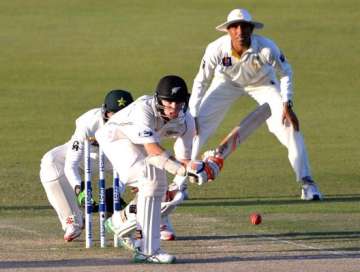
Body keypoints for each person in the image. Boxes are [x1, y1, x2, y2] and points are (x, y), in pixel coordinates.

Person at [189, 8, 322, 200]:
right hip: (226, 83)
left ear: (251, 29)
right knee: (195, 127)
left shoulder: (266, 48)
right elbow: (201, 80)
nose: (240, 32)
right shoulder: (216, 49)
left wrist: (287, 103)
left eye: (244, 27)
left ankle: (307, 183)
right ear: (228, 30)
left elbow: (286, 71)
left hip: (263, 84)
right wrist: (193, 114)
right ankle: (181, 182)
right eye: (234, 27)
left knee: (290, 127)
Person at [95, 75, 223, 264]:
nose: (173, 109)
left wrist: (202, 168)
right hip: (115, 138)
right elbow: (153, 150)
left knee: (160, 189)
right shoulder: (143, 109)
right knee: (151, 178)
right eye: (168, 103)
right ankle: (147, 250)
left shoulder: (186, 120)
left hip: (142, 144)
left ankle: (120, 223)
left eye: (178, 104)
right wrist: (183, 171)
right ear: (158, 99)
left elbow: (183, 159)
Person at [39, 90, 134, 242]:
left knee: (152, 170)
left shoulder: (138, 123)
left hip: (116, 159)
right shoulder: (88, 122)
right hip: (86, 157)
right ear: (105, 111)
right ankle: (73, 221)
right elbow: (71, 164)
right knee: (50, 161)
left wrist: (116, 192)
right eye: (113, 114)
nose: (117, 119)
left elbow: (133, 163)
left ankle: (160, 224)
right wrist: (79, 190)